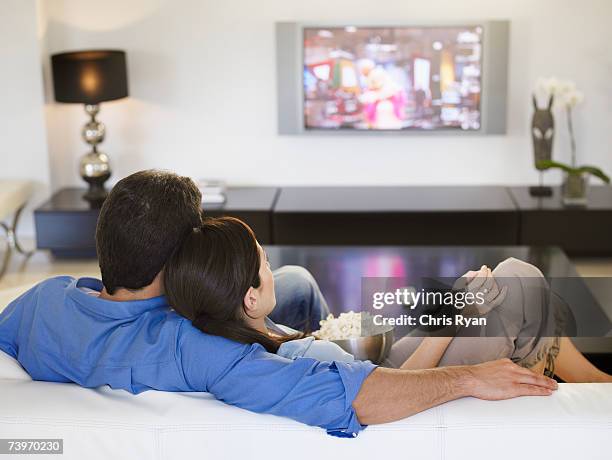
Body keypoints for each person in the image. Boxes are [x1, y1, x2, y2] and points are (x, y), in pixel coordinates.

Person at [0, 170, 558, 438]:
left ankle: (324, 326)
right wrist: (465, 378)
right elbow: (351, 397)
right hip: (334, 366)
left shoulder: (44, 299)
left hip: (268, 329)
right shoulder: (193, 347)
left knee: (292, 282)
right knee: (515, 284)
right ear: (177, 269)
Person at [164, 216, 612, 383]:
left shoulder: (232, 332)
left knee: (507, 288)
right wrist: (455, 316)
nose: (269, 268)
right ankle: (592, 385)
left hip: (389, 363)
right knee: (516, 280)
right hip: (407, 383)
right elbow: (392, 392)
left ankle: (582, 377)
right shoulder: (303, 353)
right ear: (248, 299)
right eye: (263, 264)